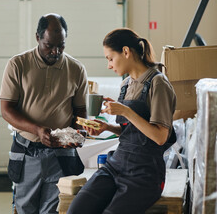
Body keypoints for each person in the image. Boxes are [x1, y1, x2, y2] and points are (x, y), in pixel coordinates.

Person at [67, 28, 177, 214]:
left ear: (126, 52)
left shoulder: (158, 83)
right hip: (117, 164)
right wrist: (107, 127)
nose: (109, 65)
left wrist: (126, 111)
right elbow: (131, 131)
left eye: (110, 58)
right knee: (76, 210)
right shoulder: (126, 85)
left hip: (144, 173)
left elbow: (160, 137)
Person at [0, 13, 88, 214]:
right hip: (28, 152)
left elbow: (80, 110)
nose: (56, 51)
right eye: (49, 45)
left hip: (62, 155)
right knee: (25, 208)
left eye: (61, 45)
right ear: (38, 37)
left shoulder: (76, 69)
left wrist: (79, 131)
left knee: (53, 209)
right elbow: (6, 110)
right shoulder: (18, 65)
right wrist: (37, 130)